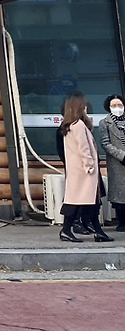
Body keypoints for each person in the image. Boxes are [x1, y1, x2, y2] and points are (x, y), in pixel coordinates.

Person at [58, 92, 111, 242]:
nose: (86, 107)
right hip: (84, 171)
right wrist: (90, 165)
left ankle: (98, 231)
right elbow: (84, 148)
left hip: (77, 170)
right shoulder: (78, 125)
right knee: (78, 201)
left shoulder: (70, 126)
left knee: (89, 201)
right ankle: (66, 230)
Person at [98, 94, 125, 231]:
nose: (117, 108)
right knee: (120, 193)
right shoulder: (104, 123)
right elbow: (105, 143)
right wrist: (122, 156)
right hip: (117, 162)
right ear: (108, 107)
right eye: (114, 105)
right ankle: (122, 222)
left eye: (120, 105)